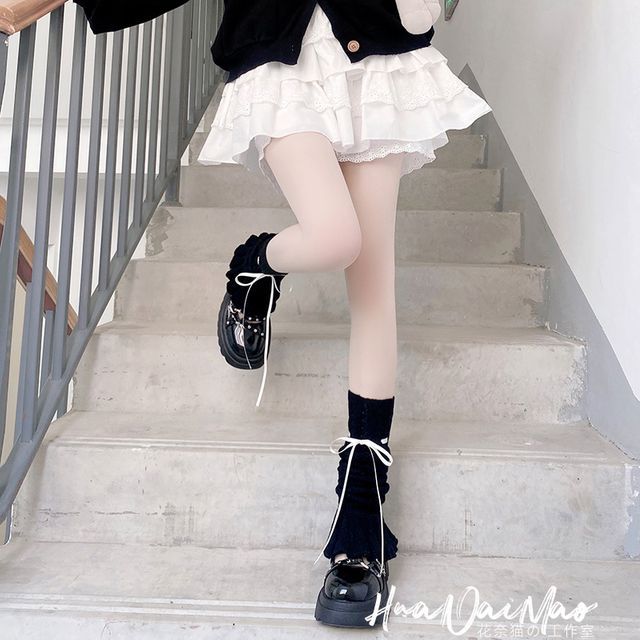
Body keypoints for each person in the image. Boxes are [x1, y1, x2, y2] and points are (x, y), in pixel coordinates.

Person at [197, 0, 491, 628]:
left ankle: (361, 513)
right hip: (280, 60)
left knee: (373, 284)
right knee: (335, 236)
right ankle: (256, 262)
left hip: (379, 60)